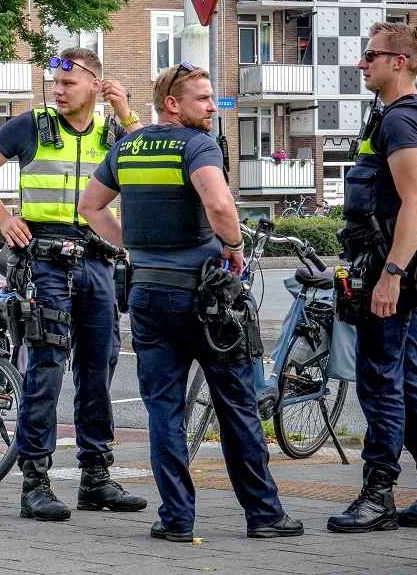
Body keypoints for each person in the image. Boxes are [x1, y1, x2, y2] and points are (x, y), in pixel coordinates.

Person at [78, 62, 303, 541]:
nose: (212, 106)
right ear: (172, 104)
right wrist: (235, 247)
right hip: (205, 299)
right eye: (203, 98)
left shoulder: (128, 146)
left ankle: (176, 519)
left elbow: (90, 206)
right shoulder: (198, 145)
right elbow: (219, 205)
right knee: (236, 404)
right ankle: (264, 515)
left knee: (164, 410)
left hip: (146, 292)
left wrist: (130, 247)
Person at [0, 46, 147, 521]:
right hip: (45, 260)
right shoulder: (31, 125)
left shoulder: (114, 131)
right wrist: (3, 218)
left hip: (100, 260)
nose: (59, 91)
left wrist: (126, 112)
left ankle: (96, 478)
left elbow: (151, 165)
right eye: (56, 83)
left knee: (98, 368)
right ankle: (36, 483)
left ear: (95, 84)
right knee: (46, 368)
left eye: (68, 83)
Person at [328, 22, 417, 534]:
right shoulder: (390, 115)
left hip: (391, 265)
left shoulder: (403, 120)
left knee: (380, 380)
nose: (363, 64)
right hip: (391, 262)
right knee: (406, 376)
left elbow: (416, 201)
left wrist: (390, 275)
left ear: (398, 62)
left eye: (371, 56)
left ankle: (379, 492)